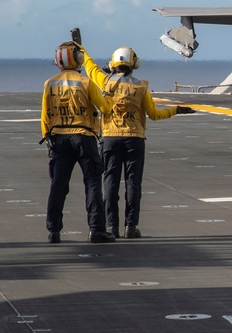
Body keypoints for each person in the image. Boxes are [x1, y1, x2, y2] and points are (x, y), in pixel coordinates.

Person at [75, 34, 195, 238]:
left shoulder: (104, 82)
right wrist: (176, 110)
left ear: (112, 64)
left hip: (110, 138)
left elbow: (90, 66)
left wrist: (81, 47)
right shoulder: (141, 87)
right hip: (135, 139)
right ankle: (130, 226)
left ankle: (111, 226)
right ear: (134, 64)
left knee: (109, 181)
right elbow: (154, 115)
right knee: (133, 183)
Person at [40, 41, 115, 243]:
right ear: (78, 59)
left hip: (58, 139)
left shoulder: (49, 84)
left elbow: (44, 118)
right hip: (84, 137)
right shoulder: (85, 82)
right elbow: (105, 108)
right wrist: (108, 96)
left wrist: (49, 142)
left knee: (58, 185)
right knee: (92, 183)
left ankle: (53, 230)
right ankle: (96, 229)